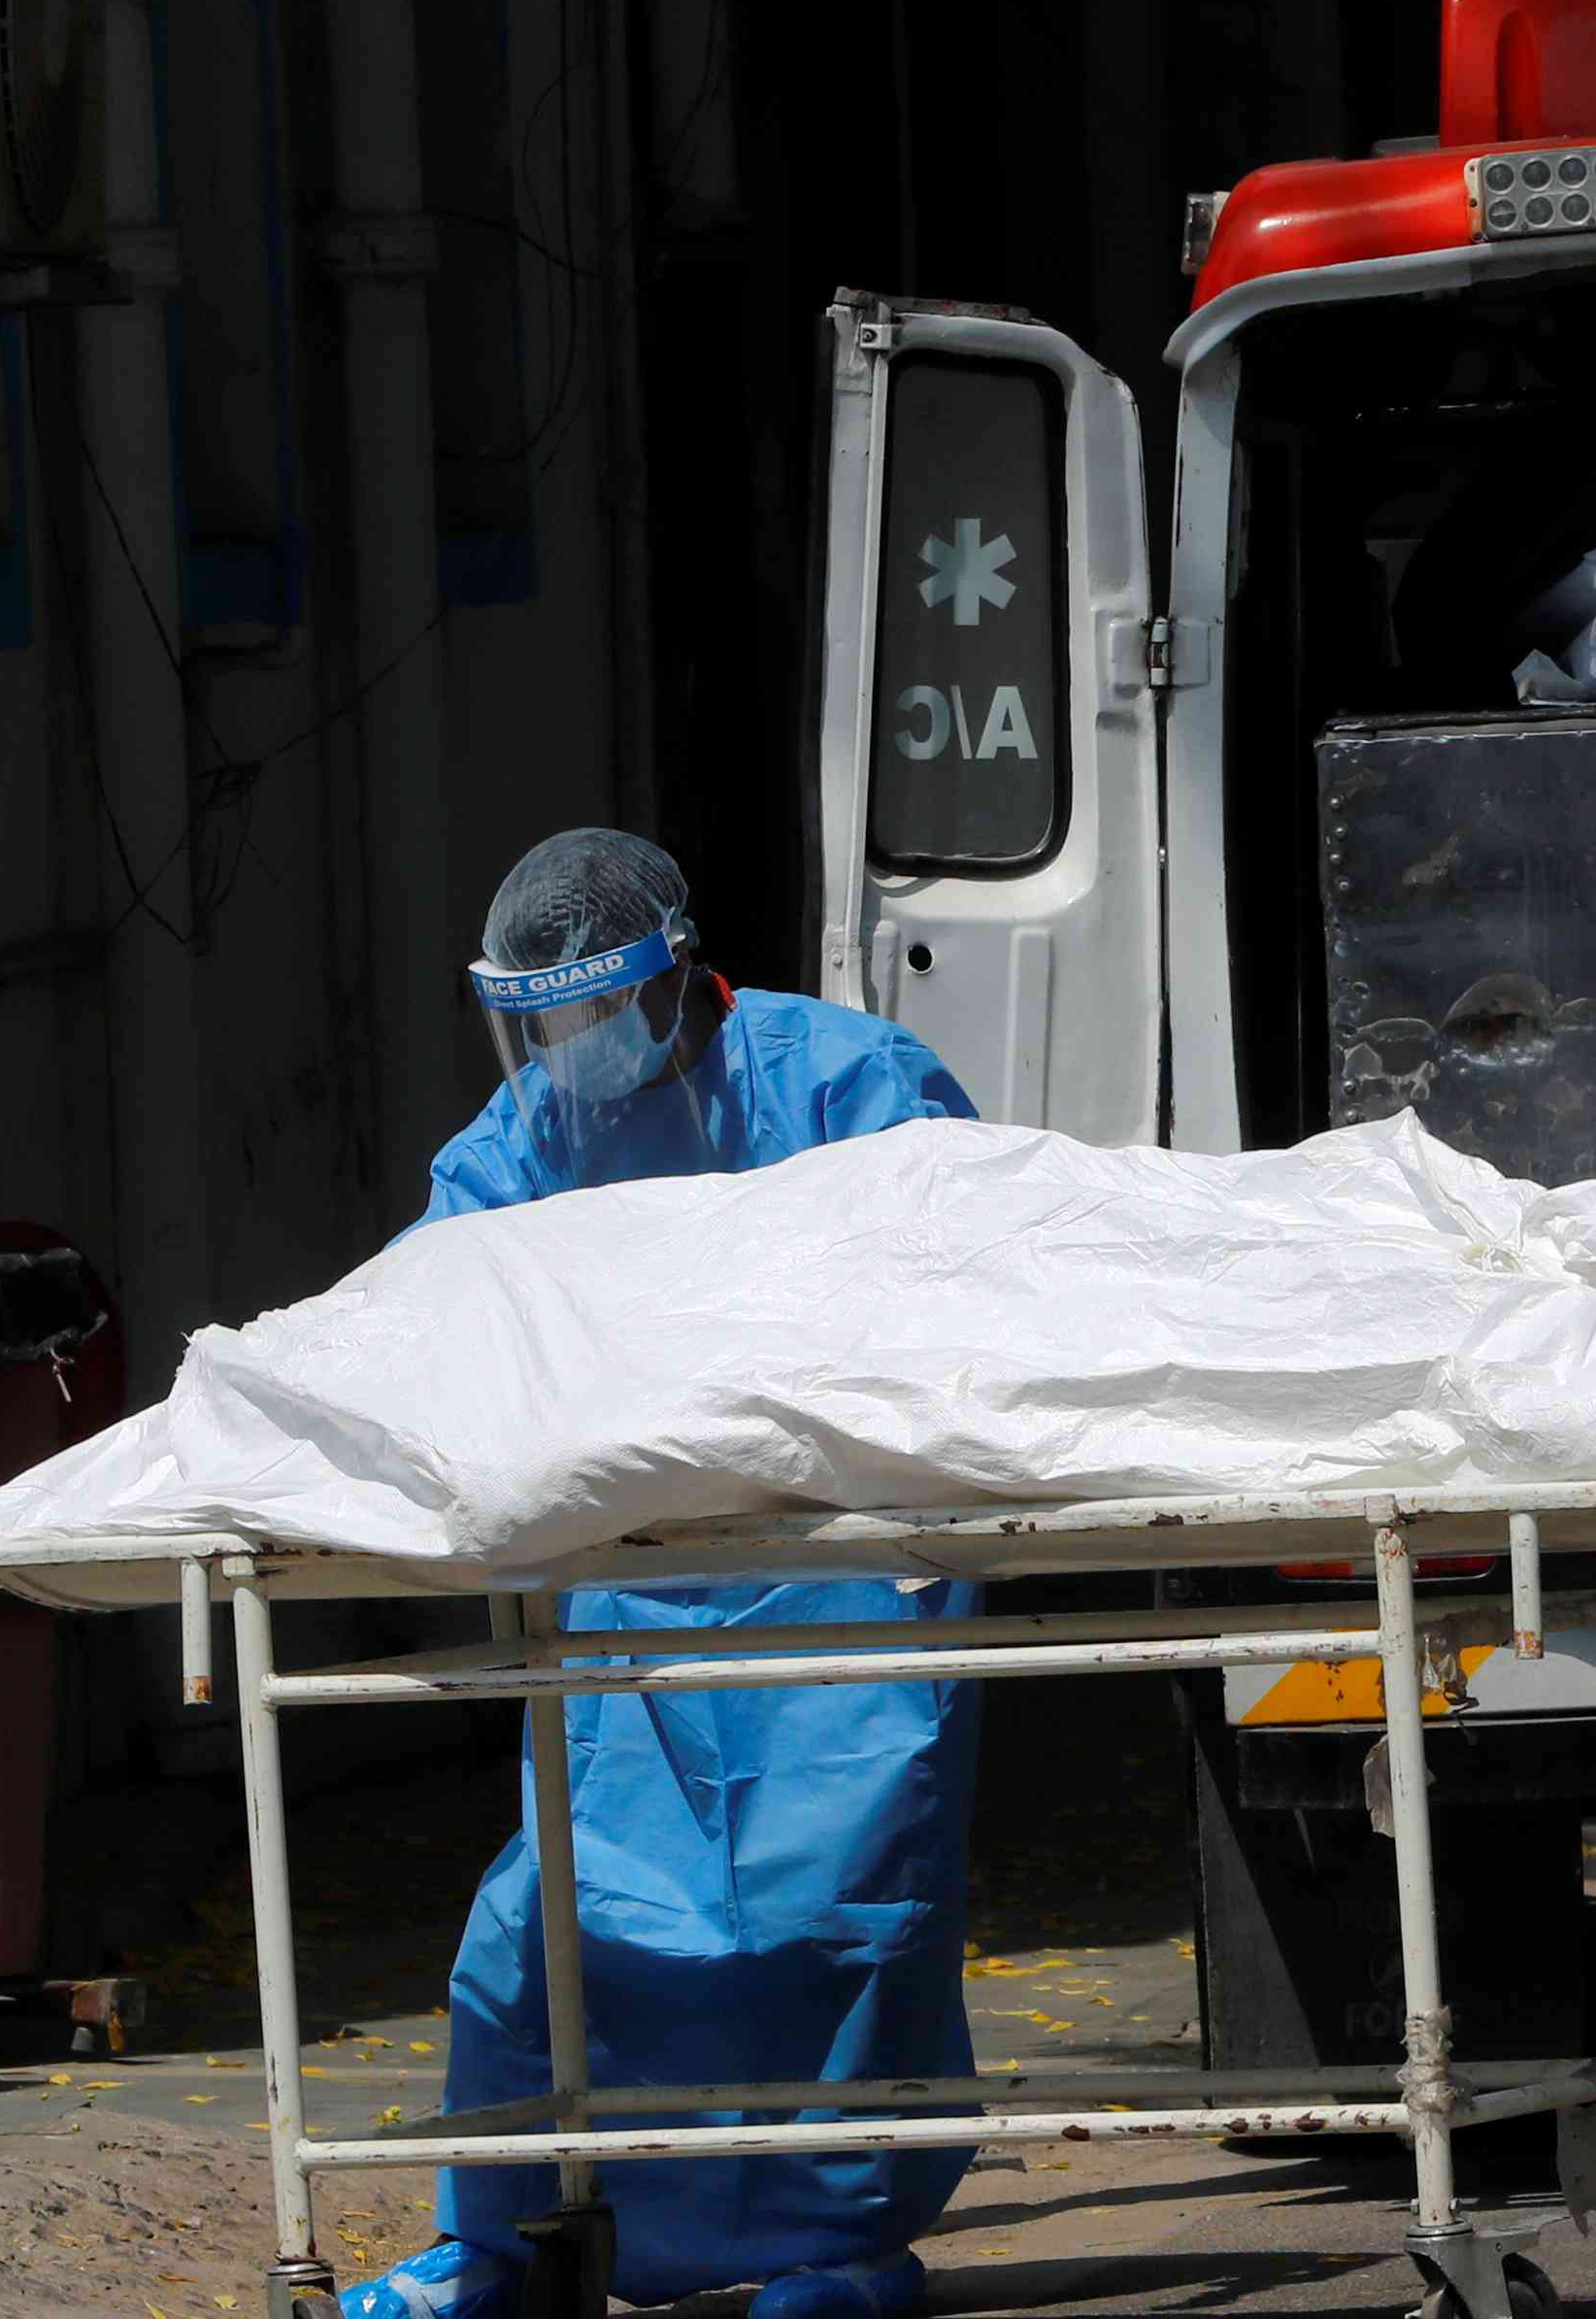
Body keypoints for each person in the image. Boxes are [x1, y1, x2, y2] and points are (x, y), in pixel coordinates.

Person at [345, 829, 985, 2319]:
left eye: (597, 1010)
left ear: (683, 977)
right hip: (630, 1597)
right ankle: (504, 2234)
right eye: (542, 1022)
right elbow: (426, 1299)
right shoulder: (528, 1134)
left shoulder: (851, 1084)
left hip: (841, 1586)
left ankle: (835, 2247)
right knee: (549, 1926)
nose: (573, 1048)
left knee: (834, 1917)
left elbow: (963, 1290)